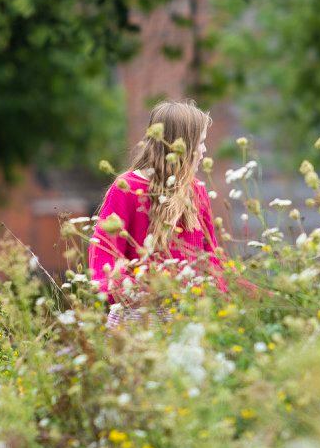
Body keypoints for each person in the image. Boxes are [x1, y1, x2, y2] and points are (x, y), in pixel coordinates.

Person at [90, 100, 224, 301]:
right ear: (182, 144)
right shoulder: (127, 188)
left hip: (190, 315)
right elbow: (102, 265)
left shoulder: (196, 190)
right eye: (201, 142)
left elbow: (212, 260)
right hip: (139, 317)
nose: (204, 150)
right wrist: (143, 290)